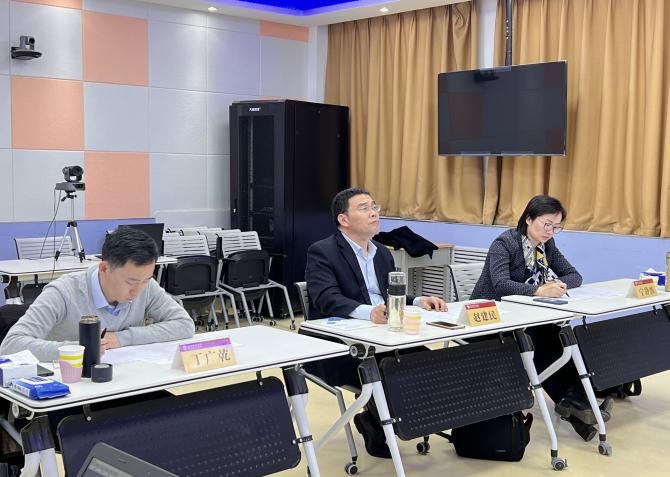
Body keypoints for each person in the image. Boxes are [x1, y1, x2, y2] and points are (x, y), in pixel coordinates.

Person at [305, 187, 447, 458]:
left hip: (385, 338)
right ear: (343, 219)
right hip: (343, 345)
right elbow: (325, 298)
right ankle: (377, 422)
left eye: (374, 206)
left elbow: (391, 295)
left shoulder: (382, 252)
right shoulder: (323, 251)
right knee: (392, 370)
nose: (373, 213)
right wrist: (369, 313)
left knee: (429, 363)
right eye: (364, 208)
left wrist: (419, 301)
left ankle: (375, 420)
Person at [471, 195, 613, 441]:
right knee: (542, 339)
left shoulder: (546, 245)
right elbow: (501, 284)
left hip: (523, 316)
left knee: (555, 335)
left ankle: (576, 404)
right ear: (528, 219)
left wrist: (557, 284)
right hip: (491, 318)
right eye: (547, 224)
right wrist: (539, 290)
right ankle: (577, 405)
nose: (551, 231)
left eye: (556, 227)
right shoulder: (505, 243)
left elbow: (574, 275)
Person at [0, 228, 195, 360]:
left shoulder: (146, 286)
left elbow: (184, 324)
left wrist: (122, 338)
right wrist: (79, 349)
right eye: (131, 282)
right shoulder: (62, 293)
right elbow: (11, 345)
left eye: (145, 280)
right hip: (70, 385)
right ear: (104, 268)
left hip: (124, 378)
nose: (138, 291)